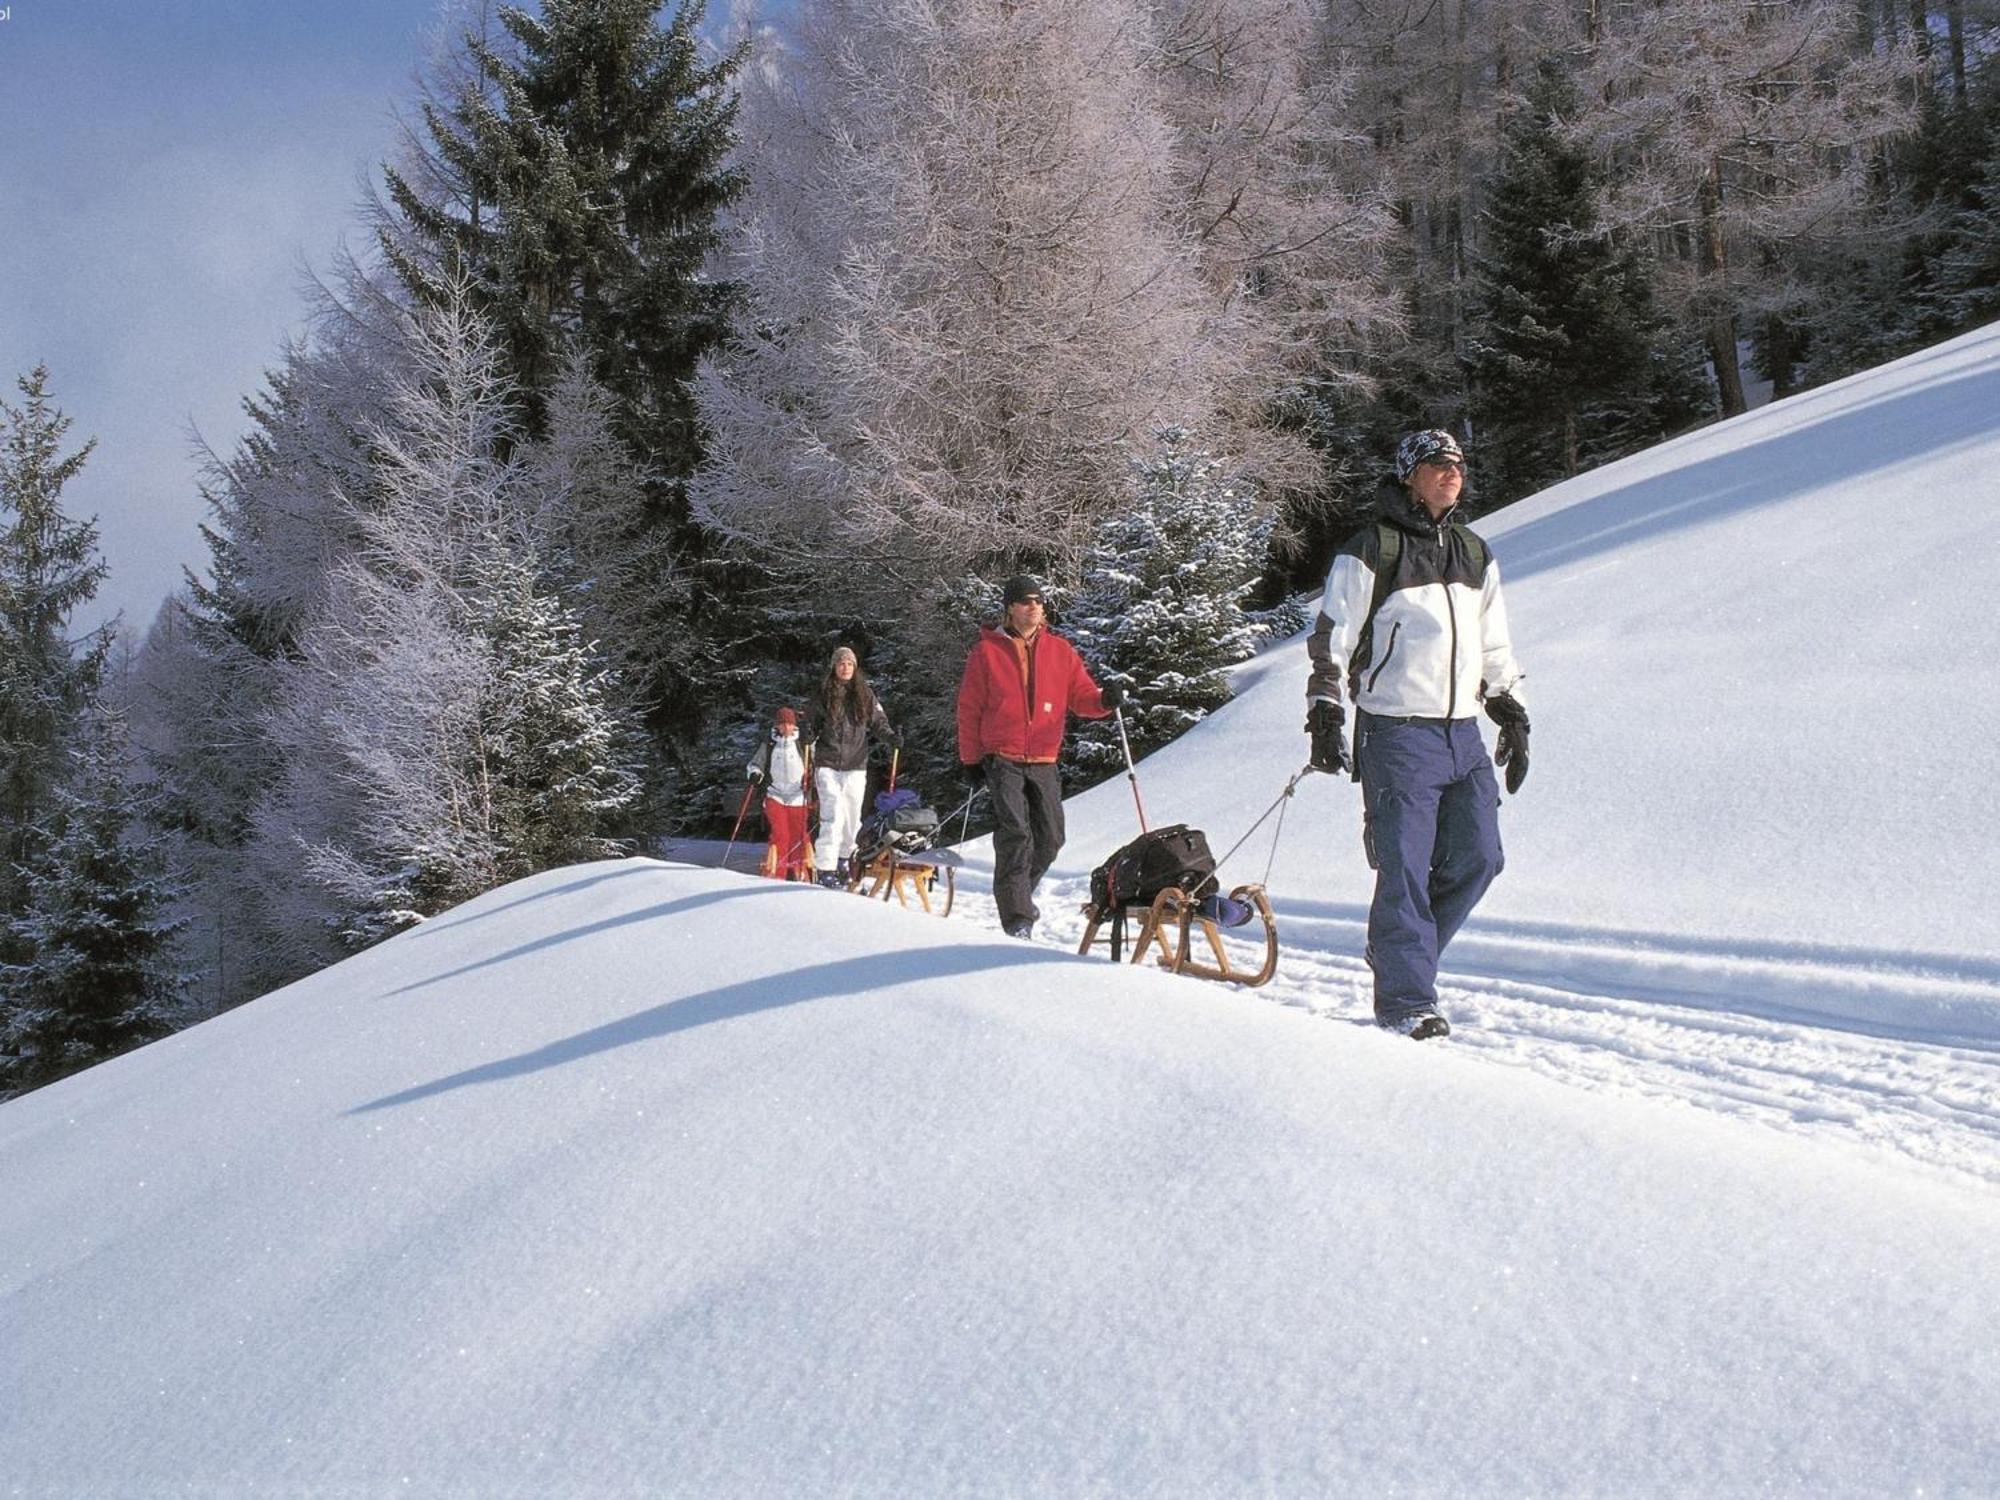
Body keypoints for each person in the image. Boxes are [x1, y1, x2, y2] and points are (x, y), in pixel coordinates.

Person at [1304, 429, 1529, 1040]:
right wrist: (1324, 709)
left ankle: (1402, 954)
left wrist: (1510, 706)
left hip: (1462, 733)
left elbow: (1493, 643)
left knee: (1481, 857)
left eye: (1457, 462)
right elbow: (1334, 636)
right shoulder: (1371, 549)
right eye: (1436, 463)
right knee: (1403, 866)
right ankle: (1406, 1000)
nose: (1451, 471)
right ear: (1410, 475)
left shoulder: (1474, 552)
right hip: (1398, 731)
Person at [957, 573, 1122, 938]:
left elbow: (1082, 697)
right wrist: (970, 759)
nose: (1034, 607)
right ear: (1010, 609)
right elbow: (969, 709)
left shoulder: (1060, 651)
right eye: (1026, 602)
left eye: (1039, 602)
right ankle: (1017, 918)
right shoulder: (986, 652)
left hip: (1045, 758)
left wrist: (1104, 702)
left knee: (1050, 839)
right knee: (1016, 833)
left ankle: (1015, 893)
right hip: (1003, 757)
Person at [806, 645, 898, 889]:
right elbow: (811, 722)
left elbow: (879, 721)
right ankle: (825, 868)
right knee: (833, 814)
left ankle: (844, 861)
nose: (845, 667)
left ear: (855, 668)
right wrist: (807, 735)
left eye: (849, 664)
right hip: (828, 762)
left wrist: (891, 737)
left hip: (856, 765)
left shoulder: (864, 693)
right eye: (840, 663)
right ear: (834, 667)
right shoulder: (824, 692)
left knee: (852, 818)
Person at [747, 707, 813, 882]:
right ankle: (777, 873)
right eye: (783, 724)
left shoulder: (803, 743)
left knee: (799, 835)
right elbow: (756, 763)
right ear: (777, 725)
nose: (786, 727)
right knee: (781, 834)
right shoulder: (769, 743)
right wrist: (755, 773)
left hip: (798, 796)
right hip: (775, 794)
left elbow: (815, 765)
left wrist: (811, 778)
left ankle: (800, 871)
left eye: (790, 724)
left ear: (794, 725)